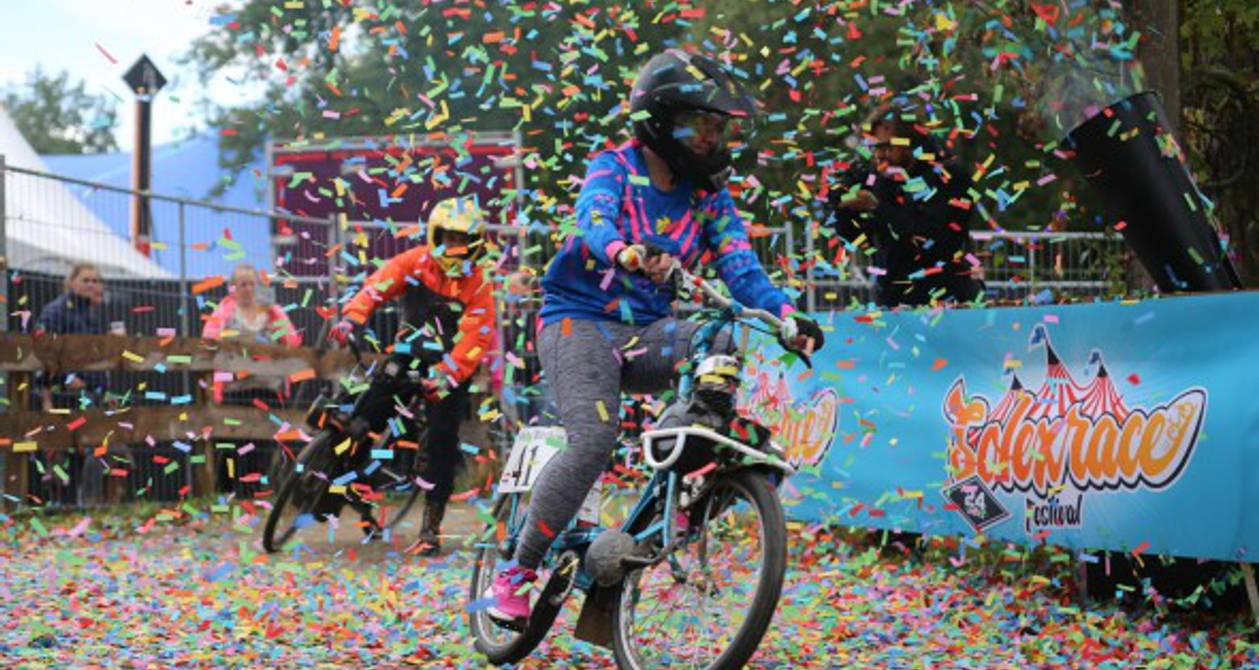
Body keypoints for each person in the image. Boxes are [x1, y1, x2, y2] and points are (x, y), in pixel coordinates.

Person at [484, 49, 824, 625]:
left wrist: (789, 316)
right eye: (702, 124)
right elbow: (594, 219)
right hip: (578, 322)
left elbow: (741, 268)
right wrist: (622, 250)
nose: (713, 137)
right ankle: (515, 572)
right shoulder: (615, 167)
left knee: (718, 337)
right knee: (593, 442)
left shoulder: (708, 194)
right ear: (663, 120)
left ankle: (685, 487)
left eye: (719, 127)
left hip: (645, 333)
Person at [328, 196, 497, 556]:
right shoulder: (416, 261)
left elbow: (476, 338)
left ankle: (430, 528)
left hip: (449, 371)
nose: (453, 246)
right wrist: (352, 318)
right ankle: (347, 487)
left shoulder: (479, 284)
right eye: (448, 238)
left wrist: (447, 374)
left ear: (474, 243)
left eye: (461, 240)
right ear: (436, 236)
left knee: (442, 441)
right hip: (407, 356)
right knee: (363, 413)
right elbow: (378, 284)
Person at [830, 101, 982, 308]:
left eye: (886, 147)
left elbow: (930, 239)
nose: (879, 156)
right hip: (892, 303)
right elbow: (856, 238)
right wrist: (843, 207)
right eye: (875, 148)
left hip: (946, 300)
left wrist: (878, 208)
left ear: (910, 141)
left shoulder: (949, 176)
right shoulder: (880, 178)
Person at [201, 264, 302, 496]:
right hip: (235, 388)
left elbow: (293, 341)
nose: (247, 289)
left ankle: (257, 492)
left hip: (269, 387)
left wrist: (275, 320)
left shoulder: (272, 311)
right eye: (242, 284)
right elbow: (208, 340)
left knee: (264, 441)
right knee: (236, 440)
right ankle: (233, 491)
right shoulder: (225, 311)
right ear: (233, 287)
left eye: (251, 284)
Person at [33, 263, 122, 505]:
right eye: (86, 280)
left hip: (91, 396)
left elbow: (96, 363)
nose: (92, 285)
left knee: (105, 447)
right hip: (63, 397)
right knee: (62, 453)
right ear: (71, 282)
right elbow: (42, 354)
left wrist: (106, 393)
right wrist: (64, 383)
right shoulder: (55, 311)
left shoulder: (92, 315)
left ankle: (91, 504)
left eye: (96, 280)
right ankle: (62, 507)